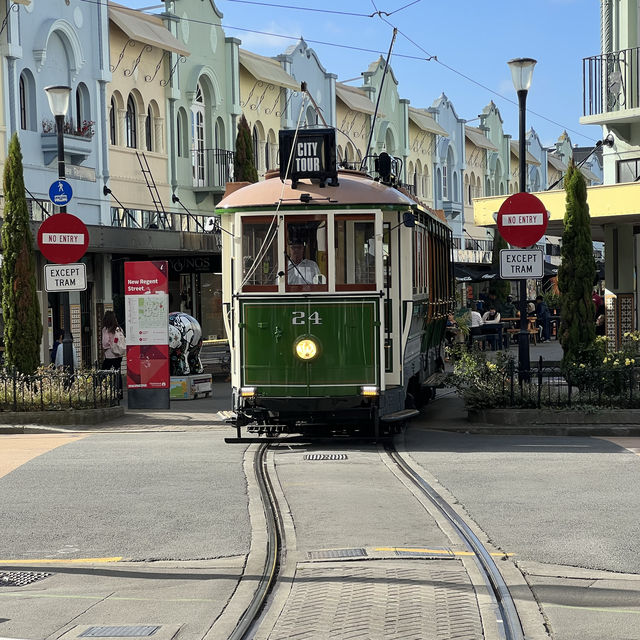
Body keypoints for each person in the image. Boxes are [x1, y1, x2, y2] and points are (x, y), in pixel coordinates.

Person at [102, 311, 125, 395]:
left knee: (104, 372)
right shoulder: (118, 328)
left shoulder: (106, 329)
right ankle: (119, 392)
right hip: (119, 354)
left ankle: (105, 392)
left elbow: (105, 343)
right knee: (117, 373)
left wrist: (106, 348)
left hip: (110, 355)